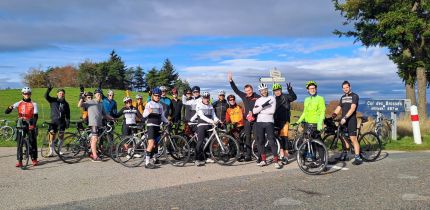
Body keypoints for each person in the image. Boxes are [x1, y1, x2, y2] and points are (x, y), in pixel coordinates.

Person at [228, 72, 260, 161]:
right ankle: (248, 156)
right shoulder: (244, 96)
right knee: (247, 138)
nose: (248, 92)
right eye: (246, 91)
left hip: (256, 120)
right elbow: (236, 90)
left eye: (249, 90)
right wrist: (231, 81)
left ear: (252, 89)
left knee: (257, 138)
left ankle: (260, 156)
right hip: (247, 121)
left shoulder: (257, 97)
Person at [5, 87, 39, 167]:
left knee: (32, 141)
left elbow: (36, 116)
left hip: (30, 122)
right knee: (19, 143)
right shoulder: (18, 103)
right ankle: (19, 161)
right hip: (21, 123)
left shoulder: (34, 104)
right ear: (22, 94)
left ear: (30, 94)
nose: (26, 95)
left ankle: (34, 159)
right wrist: (9, 108)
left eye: (28, 93)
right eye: (25, 93)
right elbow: (6, 112)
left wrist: (33, 125)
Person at [78, 88, 114, 162]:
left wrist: (112, 118)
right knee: (94, 139)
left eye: (100, 94)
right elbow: (79, 105)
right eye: (98, 94)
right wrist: (82, 97)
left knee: (96, 139)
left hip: (99, 123)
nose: (99, 96)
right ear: (95, 95)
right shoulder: (90, 102)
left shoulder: (101, 104)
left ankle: (92, 153)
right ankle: (95, 156)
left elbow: (105, 114)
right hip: (93, 123)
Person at [332, 81, 362, 165]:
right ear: (342, 89)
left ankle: (357, 157)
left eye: (347, 87)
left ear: (350, 87)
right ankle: (345, 154)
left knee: (353, 139)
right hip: (343, 121)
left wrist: (345, 117)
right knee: (344, 138)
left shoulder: (355, 96)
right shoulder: (342, 97)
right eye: (344, 88)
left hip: (351, 120)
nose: (345, 89)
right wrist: (333, 115)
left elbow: (353, 108)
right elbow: (339, 107)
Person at [253, 83, 280, 169]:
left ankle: (276, 160)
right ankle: (263, 160)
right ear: (260, 91)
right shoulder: (258, 100)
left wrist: (260, 110)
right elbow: (254, 111)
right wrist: (263, 106)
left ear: (267, 90)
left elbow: (272, 111)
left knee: (271, 141)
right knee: (260, 141)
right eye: (262, 90)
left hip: (269, 122)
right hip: (259, 122)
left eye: (265, 89)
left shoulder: (272, 98)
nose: (263, 91)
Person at [142, 87, 169, 169]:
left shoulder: (160, 105)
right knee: (151, 143)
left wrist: (167, 121)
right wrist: (148, 112)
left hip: (158, 126)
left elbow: (162, 116)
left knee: (156, 143)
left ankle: (155, 158)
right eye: (156, 95)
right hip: (151, 126)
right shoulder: (149, 103)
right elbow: (144, 115)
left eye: (159, 96)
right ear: (152, 95)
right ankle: (147, 163)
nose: (157, 97)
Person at [191, 91, 219, 166]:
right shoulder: (199, 105)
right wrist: (211, 121)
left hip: (209, 125)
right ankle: (196, 159)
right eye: (205, 98)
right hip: (202, 125)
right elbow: (202, 116)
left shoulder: (210, 106)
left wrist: (217, 120)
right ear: (202, 98)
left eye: (208, 98)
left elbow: (214, 115)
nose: (206, 99)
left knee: (209, 142)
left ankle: (206, 157)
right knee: (200, 141)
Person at [272, 83, 297, 165]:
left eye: (278, 90)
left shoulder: (286, 96)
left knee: (284, 137)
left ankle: (286, 156)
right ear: (274, 92)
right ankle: (281, 155)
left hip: (285, 120)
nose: (277, 92)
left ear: (281, 90)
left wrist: (290, 90)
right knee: (278, 138)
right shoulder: (273, 99)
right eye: (275, 91)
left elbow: (294, 97)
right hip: (276, 121)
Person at [44, 85, 71, 157]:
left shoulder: (66, 103)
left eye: (62, 93)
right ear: (57, 94)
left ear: (64, 94)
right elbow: (46, 96)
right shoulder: (53, 100)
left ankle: (59, 150)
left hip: (62, 122)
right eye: (60, 93)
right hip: (54, 121)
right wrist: (48, 89)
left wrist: (68, 121)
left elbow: (68, 114)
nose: (61, 94)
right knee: (52, 135)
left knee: (61, 136)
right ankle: (51, 151)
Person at [225, 94, 245, 161]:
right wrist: (228, 124)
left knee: (241, 140)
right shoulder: (228, 109)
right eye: (230, 100)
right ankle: (236, 154)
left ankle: (242, 154)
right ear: (228, 101)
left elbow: (244, 116)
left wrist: (240, 122)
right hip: (234, 127)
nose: (232, 101)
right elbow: (227, 119)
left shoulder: (239, 107)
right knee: (236, 140)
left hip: (241, 126)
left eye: (233, 99)